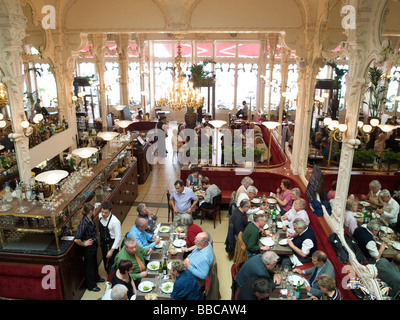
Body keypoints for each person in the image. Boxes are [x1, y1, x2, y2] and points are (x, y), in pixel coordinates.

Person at [74, 203, 104, 292]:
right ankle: (91, 285)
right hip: (88, 248)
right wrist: (84, 243)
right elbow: (77, 239)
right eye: (94, 209)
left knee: (94, 263)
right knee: (89, 266)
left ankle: (96, 277)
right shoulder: (84, 222)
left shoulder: (90, 218)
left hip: (93, 244)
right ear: (90, 211)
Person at [99, 201, 121, 275]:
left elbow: (118, 238)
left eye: (105, 212)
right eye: (102, 212)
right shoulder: (100, 216)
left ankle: (112, 278)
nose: (103, 214)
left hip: (111, 244)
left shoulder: (115, 222)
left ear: (110, 211)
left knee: (112, 263)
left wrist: (111, 251)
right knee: (106, 261)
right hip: (104, 243)